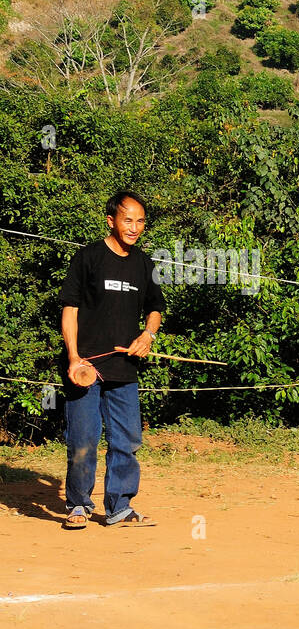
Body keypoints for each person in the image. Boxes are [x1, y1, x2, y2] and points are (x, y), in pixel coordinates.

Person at [59, 191, 166, 529]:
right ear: (111, 220)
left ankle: (119, 506)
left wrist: (147, 336)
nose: (134, 227)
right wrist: (74, 358)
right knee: (83, 439)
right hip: (85, 369)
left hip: (124, 369)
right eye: (127, 219)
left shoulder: (145, 264)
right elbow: (69, 310)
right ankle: (78, 505)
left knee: (127, 440)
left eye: (140, 221)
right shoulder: (87, 258)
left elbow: (156, 308)